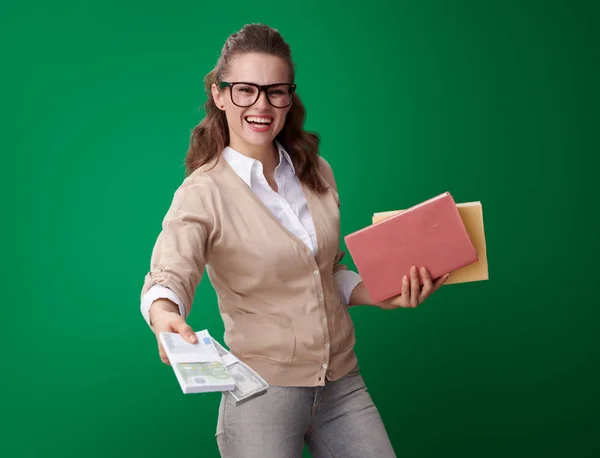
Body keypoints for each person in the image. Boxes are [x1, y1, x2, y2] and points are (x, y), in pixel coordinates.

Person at [140, 23, 450, 458]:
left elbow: (326, 270)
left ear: (289, 97)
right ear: (221, 95)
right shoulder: (202, 192)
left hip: (341, 385)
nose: (261, 105)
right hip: (263, 394)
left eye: (275, 91)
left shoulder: (316, 171)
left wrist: (382, 293)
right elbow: (171, 270)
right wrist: (164, 314)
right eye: (245, 89)